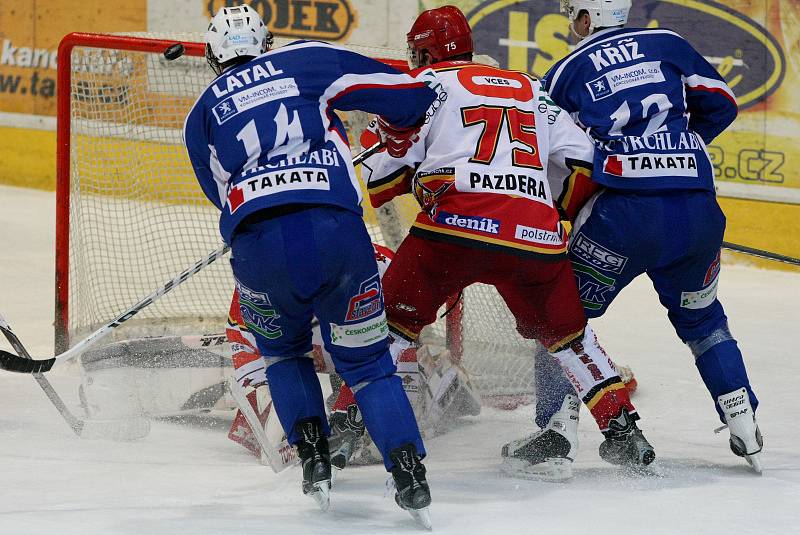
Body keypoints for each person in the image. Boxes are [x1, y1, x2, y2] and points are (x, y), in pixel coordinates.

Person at [361, 5, 656, 482]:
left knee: (392, 322)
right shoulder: (529, 86)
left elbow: (379, 184)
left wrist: (414, 173)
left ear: (426, 52)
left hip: (452, 232)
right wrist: (544, 209)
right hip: (534, 241)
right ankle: (624, 430)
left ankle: (354, 419)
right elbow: (584, 162)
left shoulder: (424, 88)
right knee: (570, 338)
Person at [183, 4, 438, 523]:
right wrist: (400, 132)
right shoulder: (303, 61)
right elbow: (408, 93)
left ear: (212, 57)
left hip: (259, 249)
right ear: (268, 44)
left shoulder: (200, 114)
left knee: (283, 355)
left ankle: (314, 460)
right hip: (337, 236)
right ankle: (408, 470)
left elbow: (219, 194)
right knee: (368, 364)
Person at [515, 0, 762, 474]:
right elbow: (723, 104)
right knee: (704, 319)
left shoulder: (564, 71)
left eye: (575, 13)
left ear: (589, 17)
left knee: (557, 316)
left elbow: (544, 146)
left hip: (622, 217)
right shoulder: (669, 44)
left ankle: (556, 434)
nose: (572, 22)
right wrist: (677, 153)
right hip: (698, 212)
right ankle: (743, 421)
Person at [226, 243, 481, 470]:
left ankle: (442, 380)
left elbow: (441, 294)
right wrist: (264, 389)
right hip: (314, 351)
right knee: (255, 427)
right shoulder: (258, 280)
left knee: (387, 434)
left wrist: (346, 408)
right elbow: (241, 335)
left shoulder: (380, 266)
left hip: (361, 350)